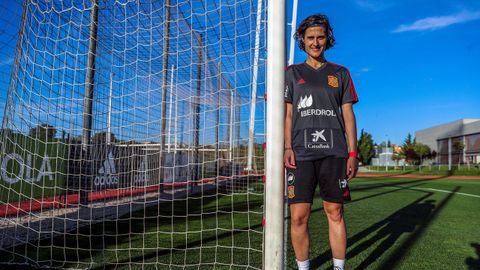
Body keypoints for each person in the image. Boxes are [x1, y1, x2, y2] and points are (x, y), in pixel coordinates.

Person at [284, 14, 359, 270]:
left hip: (335, 153)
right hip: (301, 153)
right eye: (310, 38)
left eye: (320, 37)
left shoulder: (341, 73)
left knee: (335, 212)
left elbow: (348, 114)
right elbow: (288, 114)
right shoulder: (291, 73)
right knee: (298, 217)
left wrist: (353, 153)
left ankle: (339, 268)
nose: (316, 42)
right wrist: (287, 147)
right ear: (302, 42)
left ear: (328, 40)